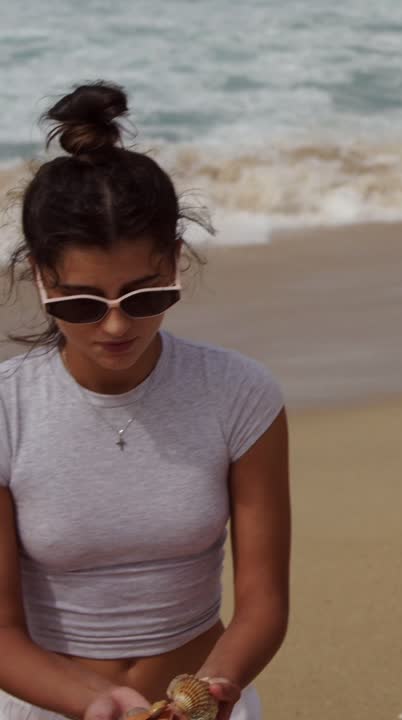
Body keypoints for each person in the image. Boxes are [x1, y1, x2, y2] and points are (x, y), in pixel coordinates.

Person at [0, 82, 290, 720]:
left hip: (201, 705)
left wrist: (210, 692)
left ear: (174, 264)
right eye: (80, 302)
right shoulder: (7, 410)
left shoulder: (240, 395)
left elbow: (264, 604)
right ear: (42, 278)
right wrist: (97, 703)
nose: (114, 327)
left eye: (142, 297)